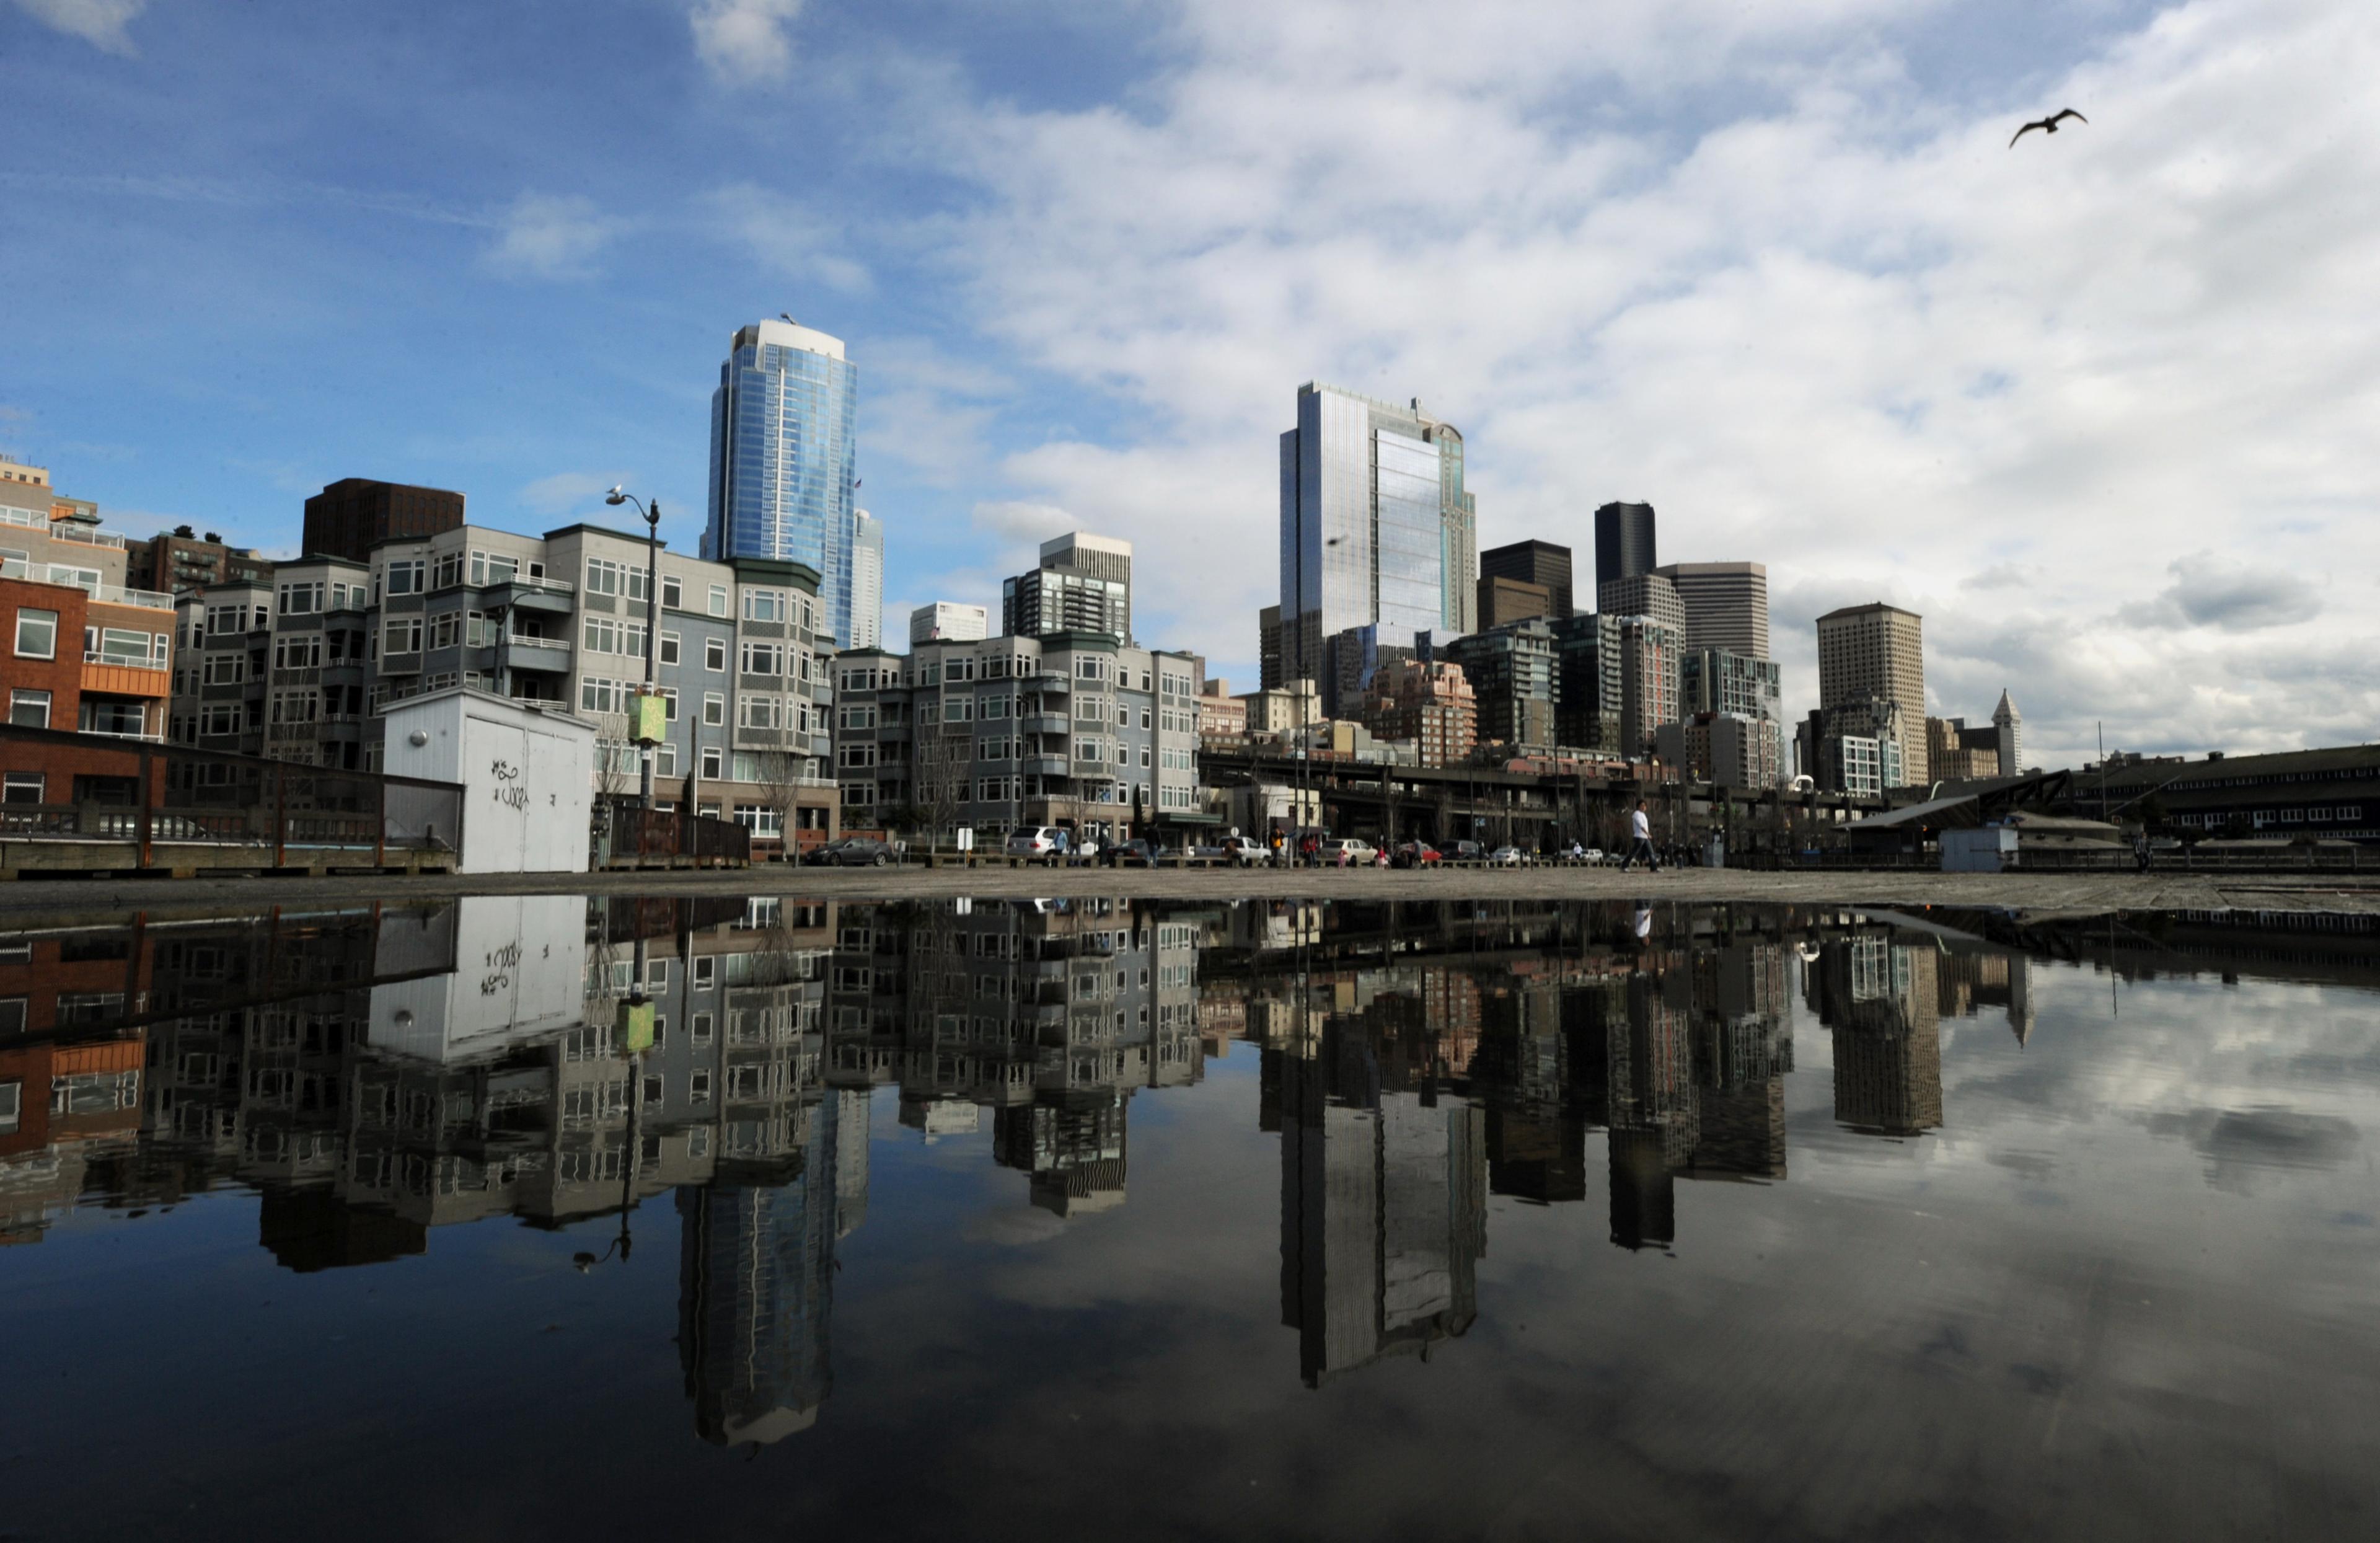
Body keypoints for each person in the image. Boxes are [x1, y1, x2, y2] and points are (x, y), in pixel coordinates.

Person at [1619, 800, 1660, 873]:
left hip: (1645, 837)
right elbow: (1641, 825)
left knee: (1651, 853)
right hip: (1639, 837)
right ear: (1639, 806)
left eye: (1645, 805)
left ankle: (1654, 868)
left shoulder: (1643, 815)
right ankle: (1624, 866)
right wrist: (1648, 834)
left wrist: (1647, 835)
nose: (1644, 807)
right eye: (1642, 805)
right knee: (1634, 852)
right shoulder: (1636, 814)